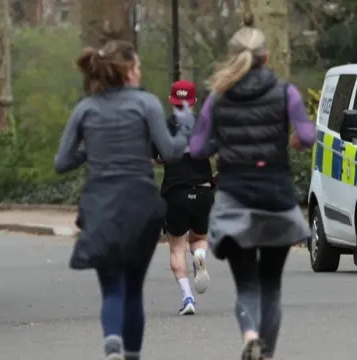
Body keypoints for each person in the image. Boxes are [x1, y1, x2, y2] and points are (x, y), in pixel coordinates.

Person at [53, 40, 195, 360]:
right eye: (139, 67)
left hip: (100, 206)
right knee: (134, 288)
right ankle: (130, 354)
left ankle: (112, 343)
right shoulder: (147, 105)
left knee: (112, 286)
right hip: (141, 205)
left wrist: (92, 148)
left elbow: (62, 162)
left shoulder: (85, 109)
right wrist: (185, 127)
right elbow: (170, 152)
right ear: (130, 72)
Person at [189, 14, 316, 360]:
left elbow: (198, 148)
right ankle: (266, 354)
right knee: (271, 286)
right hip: (276, 196)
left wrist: (220, 140)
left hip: (234, 198)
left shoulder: (217, 98)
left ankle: (249, 335)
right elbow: (307, 137)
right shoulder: (285, 93)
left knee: (246, 285)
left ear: (233, 58)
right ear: (267, 57)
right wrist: (293, 138)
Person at [152, 80, 213, 316]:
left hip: (174, 193)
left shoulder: (163, 127)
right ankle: (199, 255)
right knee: (199, 237)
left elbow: (156, 157)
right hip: (203, 190)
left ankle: (188, 297)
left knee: (176, 247)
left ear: (171, 100)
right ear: (194, 101)